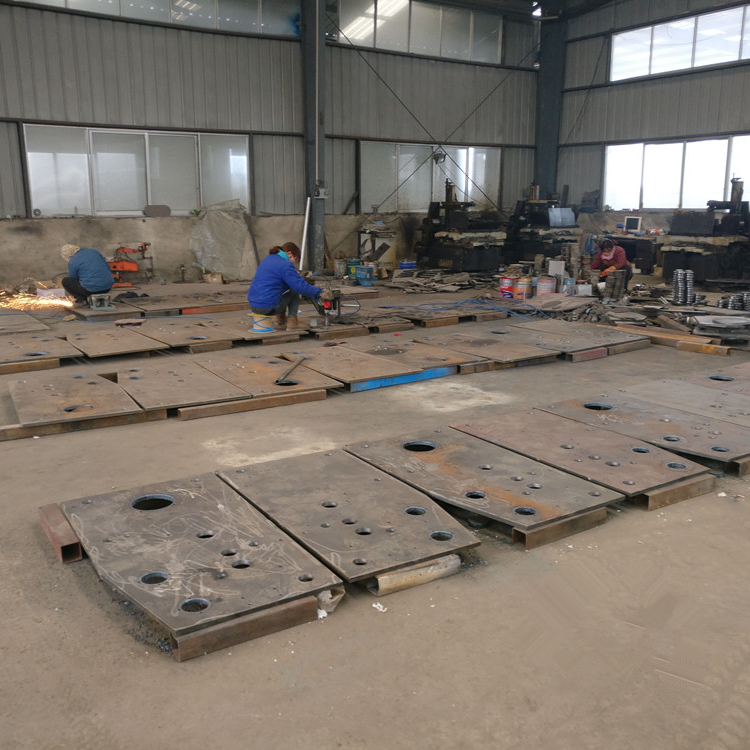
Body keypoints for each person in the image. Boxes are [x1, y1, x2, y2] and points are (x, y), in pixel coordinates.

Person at [247, 242, 322, 331]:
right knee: (294, 290)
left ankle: (281, 319)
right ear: (289, 254)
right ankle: (292, 323)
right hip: (267, 307)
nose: (293, 262)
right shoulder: (285, 265)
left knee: (281, 290)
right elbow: (300, 287)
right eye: (295, 259)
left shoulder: (268, 258)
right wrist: (319, 293)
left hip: (254, 305)